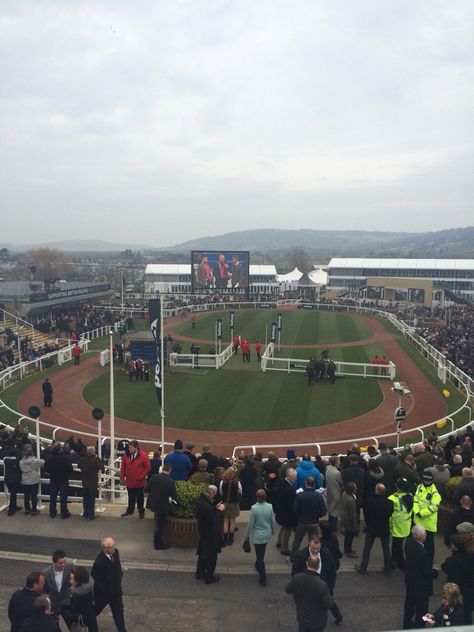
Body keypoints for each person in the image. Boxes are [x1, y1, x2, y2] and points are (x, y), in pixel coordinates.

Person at [286, 555, 343, 632]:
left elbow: (288, 590)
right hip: (317, 621)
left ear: (306, 563)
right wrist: (338, 616)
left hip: (302, 618)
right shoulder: (321, 584)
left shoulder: (297, 578)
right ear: (318, 566)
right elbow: (330, 603)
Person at [355, 483, 393, 576]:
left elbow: (366, 513)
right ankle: (388, 568)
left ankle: (363, 567)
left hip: (372, 528)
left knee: (367, 548)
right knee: (386, 549)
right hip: (384, 528)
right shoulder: (389, 503)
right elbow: (390, 514)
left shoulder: (370, 501)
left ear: (376, 491)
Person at [91, 537, 127, 631]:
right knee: (95, 611)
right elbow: (95, 578)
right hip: (103, 595)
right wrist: (106, 591)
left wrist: (119, 575)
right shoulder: (99, 562)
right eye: (110, 547)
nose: (113, 548)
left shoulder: (116, 553)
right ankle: (84, 622)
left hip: (116, 592)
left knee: (118, 613)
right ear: (104, 548)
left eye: (113, 545)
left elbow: (117, 567)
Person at [403, 525, 433, 630]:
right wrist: (435, 573)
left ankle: (406, 624)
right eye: (425, 534)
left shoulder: (409, 543)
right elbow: (428, 572)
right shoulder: (423, 553)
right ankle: (420, 627)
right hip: (422, 587)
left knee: (409, 605)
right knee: (422, 610)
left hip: (410, 582)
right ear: (421, 537)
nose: (426, 535)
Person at [244, 489, 276, 586]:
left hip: (257, 535)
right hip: (267, 534)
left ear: (257, 497)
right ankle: (257, 564)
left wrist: (246, 536)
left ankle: (263, 577)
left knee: (260, 555)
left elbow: (250, 523)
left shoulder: (254, 508)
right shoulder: (270, 507)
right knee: (262, 551)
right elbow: (272, 521)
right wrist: (273, 531)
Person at [441, 535, 474, 624]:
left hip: (454, 592)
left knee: (450, 615)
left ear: (455, 547)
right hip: (468, 591)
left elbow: (444, 567)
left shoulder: (451, 561)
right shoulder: (471, 557)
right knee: (467, 614)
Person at [195, 485, 225, 584]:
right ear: (212, 493)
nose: (214, 497)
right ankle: (209, 577)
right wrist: (219, 510)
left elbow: (208, 512)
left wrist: (214, 507)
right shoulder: (206, 506)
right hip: (210, 534)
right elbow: (213, 520)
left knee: (203, 553)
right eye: (214, 495)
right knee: (212, 557)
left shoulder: (201, 500)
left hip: (203, 532)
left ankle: (199, 572)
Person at [291, 477, 327, 559]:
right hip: (314, 522)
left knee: (297, 540)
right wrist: (317, 515)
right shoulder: (318, 496)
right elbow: (323, 511)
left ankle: (294, 558)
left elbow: (295, 510)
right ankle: (313, 557)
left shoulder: (300, 495)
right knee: (314, 541)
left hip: (302, 522)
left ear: (305, 484)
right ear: (314, 484)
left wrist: (299, 516)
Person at [145, 462, 177, 550]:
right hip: (163, 506)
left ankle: (158, 542)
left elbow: (146, 489)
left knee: (158, 523)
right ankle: (158, 544)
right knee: (159, 526)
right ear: (170, 470)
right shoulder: (171, 481)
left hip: (153, 504)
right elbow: (174, 496)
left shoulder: (154, 477)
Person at [413, 470, 441, 568]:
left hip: (428, 525)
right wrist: (416, 511)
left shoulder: (435, 493)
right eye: (425, 480)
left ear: (432, 481)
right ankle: (419, 563)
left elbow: (433, 507)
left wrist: (421, 514)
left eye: (428, 480)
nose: (426, 482)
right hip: (418, 522)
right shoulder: (420, 487)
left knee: (429, 547)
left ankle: (428, 564)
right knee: (418, 545)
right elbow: (415, 500)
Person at [120, 439, 150, 518]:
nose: (129, 449)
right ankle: (130, 510)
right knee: (131, 497)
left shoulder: (143, 455)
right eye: (129, 448)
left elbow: (147, 467)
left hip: (139, 482)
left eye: (131, 448)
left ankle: (141, 511)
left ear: (136, 448)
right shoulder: (126, 455)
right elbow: (123, 466)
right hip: (129, 481)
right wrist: (122, 477)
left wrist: (141, 477)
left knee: (140, 498)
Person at [42, 549, 74, 624]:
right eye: (60, 563)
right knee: (53, 625)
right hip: (53, 605)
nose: (63, 565)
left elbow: (75, 581)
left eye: (64, 562)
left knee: (72, 624)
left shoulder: (70, 567)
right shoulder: (45, 573)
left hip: (67, 602)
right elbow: (44, 591)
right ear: (54, 563)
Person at [388, 477, 414, 570]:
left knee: (396, 546)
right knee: (400, 545)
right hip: (406, 525)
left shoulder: (393, 499)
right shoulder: (410, 497)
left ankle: (398, 562)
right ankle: (398, 561)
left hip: (396, 526)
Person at [44, 442, 73, 519]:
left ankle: (52, 512)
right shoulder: (65, 457)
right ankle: (64, 513)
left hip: (53, 479)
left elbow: (46, 468)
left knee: (53, 496)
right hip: (63, 479)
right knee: (63, 497)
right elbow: (70, 469)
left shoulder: (50, 458)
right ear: (60, 449)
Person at [273, 467, 298, 555]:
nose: (295, 479)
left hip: (281, 511)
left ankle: (279, 541)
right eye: (294, 477)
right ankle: (285, 549)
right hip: (287, 514)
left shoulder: (281, 483)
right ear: (290, 476)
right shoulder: (288, 489)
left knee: (283, 528)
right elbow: (291, 503)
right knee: (287, 532)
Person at [67, 566, 98, 632]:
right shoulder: (88, 588)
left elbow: (73, 610)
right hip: (91, 618)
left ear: (78, 581)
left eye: (72, 579)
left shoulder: (76, 595)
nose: (70, 581)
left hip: (82, 621)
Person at [77, 446, 104, 520]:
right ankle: (90, 515)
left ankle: (86, 513)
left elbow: (79, 465)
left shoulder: (81, 460)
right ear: (93, 453)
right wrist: (98, 458)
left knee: (85, 499)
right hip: (92, 483)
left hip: (85, 482)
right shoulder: (95, 461)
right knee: (91, 500)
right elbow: (102, 466)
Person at [219, 467, 242, 545]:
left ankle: (225, 539)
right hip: (234, 503)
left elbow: (221, 492)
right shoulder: (237, 482)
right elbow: (240, 492)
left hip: (225, 502)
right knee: (232, 521)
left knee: (225, 520)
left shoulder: (222, 482)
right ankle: (231, 539)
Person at [20, 444, 44, 515]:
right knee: (34, 496)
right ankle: (34, 510)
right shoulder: (36, 461)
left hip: (25, 480)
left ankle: (27, 509)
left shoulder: (21, 462)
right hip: (34, 480)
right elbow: (43, 463)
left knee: (26, 496)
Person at [340, 482, 359, 558]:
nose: (356, 489)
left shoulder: (344, 494)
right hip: (349, 521)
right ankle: (348, 551)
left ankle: (347, 549)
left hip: (344, 517)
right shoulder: (351, 500)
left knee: (347, 536)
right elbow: (352, 515)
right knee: (349, 537)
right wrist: (356, 526)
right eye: (355, 488)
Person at [3, 446, 23, 516]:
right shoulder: (16, 461)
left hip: (7, 479)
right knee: (13, 494)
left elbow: (6, 458)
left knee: (13, 494)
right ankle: (11, 510)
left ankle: (14, 506)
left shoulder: (6, 460)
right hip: (14, 480)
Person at [325, 456, 343, 531]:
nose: (339, 462)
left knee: (331, 509)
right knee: (335, 511)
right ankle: (333, 527)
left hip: (329, 492)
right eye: (338, 461)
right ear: (335, 463)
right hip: (336, 493)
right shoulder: (337, 473)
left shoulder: (328, 469)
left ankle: (330, 524)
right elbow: (341, 483)